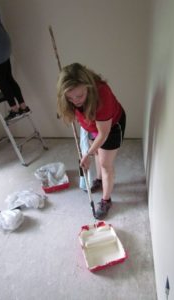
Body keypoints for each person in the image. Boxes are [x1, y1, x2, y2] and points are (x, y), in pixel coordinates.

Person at [57, 63, 126, 219]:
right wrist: (90, 151)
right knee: (96, 154)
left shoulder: (103, 95)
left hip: (111, 126)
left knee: (105, 164)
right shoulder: (71, 97)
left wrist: (86, 154)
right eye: (70, 97)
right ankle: (100, 180)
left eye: (80, 96)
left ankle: (106, 200)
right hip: (92, 124)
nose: (75, 101)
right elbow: (75, 109)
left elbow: (103, 133)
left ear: (88, 87)